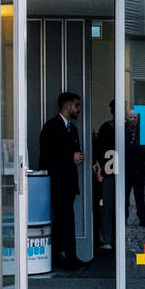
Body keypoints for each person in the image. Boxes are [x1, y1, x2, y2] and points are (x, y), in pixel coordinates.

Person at [40, 92, 84, 270]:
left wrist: (77, 156)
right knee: (66, 219)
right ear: (67, 106)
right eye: (76, 106)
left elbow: (74, 151)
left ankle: (59, 255)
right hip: (57, 182)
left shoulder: (72, 129)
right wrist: (70, 157)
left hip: (69, 182)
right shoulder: (51, 127)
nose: (78, 110)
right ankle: (69, 258)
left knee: (62, 219)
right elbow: (48, 154)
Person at [93, 100, 117, 250]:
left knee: (112, 207)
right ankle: (107, 238)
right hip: (110, 172)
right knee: (108, 206)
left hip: (113, 171)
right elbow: (99, 150)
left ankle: (109, 238)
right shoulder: (107, 128)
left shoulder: (110, 127)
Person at [124, 106, 145, 227]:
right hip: (126, 169)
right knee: (124, 196)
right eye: (131, 117)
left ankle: (142, 218)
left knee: (140, 196)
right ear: (126, 118)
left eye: (135, 117)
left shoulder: (143, 131)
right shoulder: (123, 131)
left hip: (139, 169)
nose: (133, 119)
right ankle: (123, 218)